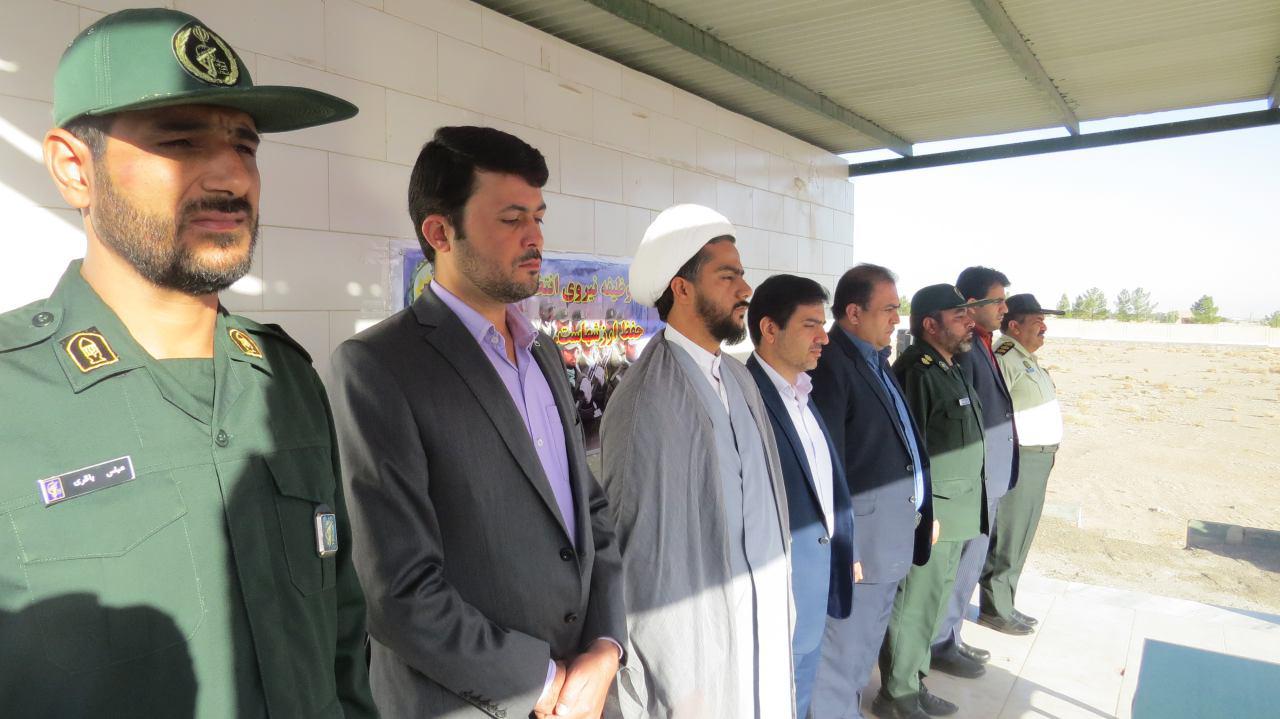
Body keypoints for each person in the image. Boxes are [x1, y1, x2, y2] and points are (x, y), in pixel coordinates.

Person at [0, 8, 374, 717]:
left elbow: (342, 642)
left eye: (245, 145)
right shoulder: (10, 397)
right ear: (75, 169)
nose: (232, 175)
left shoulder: (285, 381)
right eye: (179, 140)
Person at [327, 126, 626, 719]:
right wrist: (542, 683)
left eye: (538, 217)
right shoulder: (379, 366)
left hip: (583, 691)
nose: (535, 237)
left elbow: (589, 512)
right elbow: (396, 589)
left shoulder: (543, 354)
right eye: (512, 219)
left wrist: (605, 646)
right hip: (470, 702)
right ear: (440, 232)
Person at [599, 204, 794, 719]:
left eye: (742, 275)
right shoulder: (645, 399)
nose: (746, 289)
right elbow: (643, 559)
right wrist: (678, 680)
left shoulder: (738, 377)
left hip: (758, 629)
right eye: (727, 276)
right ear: (682, 288)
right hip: (699, 659)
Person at [809, 264, 936, 719]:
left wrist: (923, 511)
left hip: (889, 536)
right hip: (862, 545)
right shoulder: (832, 365)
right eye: (888, 309)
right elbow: (829, 465)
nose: (897, 319)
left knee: (862, 653)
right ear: (854, 312)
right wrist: (847, 545)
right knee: (841, 659)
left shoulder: (875, 359)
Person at [877, 284, 994, 719]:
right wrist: (922, 514)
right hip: (936, 514)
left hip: (958, 511)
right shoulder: (919, 371)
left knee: (934, 603)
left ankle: (915, 679)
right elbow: (911, 450)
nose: (969, 321)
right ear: (930, 323)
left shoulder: (950, 366)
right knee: (915, 604)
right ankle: (897, 694)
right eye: (959, 315)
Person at [745, 274, 856, 719]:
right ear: (770, 329)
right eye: (810, 325)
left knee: (799, 697)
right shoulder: (745, 398)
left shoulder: (803, 393)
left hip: (814, 585)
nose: (823, 338)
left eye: (822, 325)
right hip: (777, 601)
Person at [930, 267, 1022, 677]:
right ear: (972, 304)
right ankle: (939, 642)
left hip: (990, 476)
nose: (1004, 308)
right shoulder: (965, 350)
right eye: (997, 300)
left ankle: (951, 635)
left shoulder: (984, 343)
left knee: (970, 564)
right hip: (975, 480)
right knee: (958, 565)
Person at [980, 294, 1065, 630]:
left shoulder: (1026, 358)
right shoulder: (1005, 356)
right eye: (1037, 322)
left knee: (1023, 532)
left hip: (1039, 459)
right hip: (1021, 457)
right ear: (1014, 326)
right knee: (1010, 533)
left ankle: (1007, 601)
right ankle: (995, 608)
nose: (1044, 328)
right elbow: (994, 411)